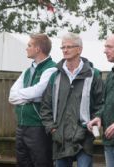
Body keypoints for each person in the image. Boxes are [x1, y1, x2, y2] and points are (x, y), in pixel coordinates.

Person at [40, 32, 104, 167]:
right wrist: (52, 129)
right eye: (63, 47)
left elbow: (101, 104)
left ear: (79, 49)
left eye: (69, 47)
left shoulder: (94, 75)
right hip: (60, 138)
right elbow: (45, 106)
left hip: (84, 137)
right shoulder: (55, 76)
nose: (65, 50)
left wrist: (94, 123)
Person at [9, 33, 57, 167]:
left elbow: (39, 91)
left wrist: (25, 96)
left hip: (38, 126)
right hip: (22, 126)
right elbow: (11, 96)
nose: (26, 48)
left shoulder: (51, 68)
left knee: (41, 162)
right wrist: (29, 97)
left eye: (29, 45)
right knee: (23, 162)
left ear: (38, 49)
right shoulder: (27, 71)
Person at [87, 33, 114, 167]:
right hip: (109, 141)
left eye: (109, 47)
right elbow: (106, 103)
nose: (105, 50)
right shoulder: (112, 74)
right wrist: (99, 116)